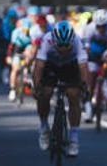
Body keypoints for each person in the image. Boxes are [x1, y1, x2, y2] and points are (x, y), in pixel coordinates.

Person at [33, 21, 89, 157]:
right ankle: (44, 127)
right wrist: (37, 87)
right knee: (45, 93)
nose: (63, 49)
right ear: (54, 41)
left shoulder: (77, 42)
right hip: (51, 66)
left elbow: (83, 68)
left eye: (66, 46)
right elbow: (39, 67)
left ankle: (74, 138)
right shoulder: (46, 40)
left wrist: (85, 87)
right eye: (60, 45)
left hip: (70, 66)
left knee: (74, 95)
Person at [81, 9, 107, 122]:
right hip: (94, 50)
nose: (101, 28)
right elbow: (86, 50)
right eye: (99, 26)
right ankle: (88, 103)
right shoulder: (89, 28)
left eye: (103, 26)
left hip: (106, 50)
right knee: (91, 76)